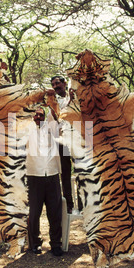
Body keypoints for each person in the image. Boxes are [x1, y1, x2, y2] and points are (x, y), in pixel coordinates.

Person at [26, 106, 64, 256]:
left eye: (40, 115)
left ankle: (56, 244)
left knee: (54, 212)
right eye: (35, 115)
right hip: (34, 175)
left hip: (52, 174)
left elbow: (59, 121)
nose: (37, 118)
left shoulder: (52, 128)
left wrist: (51, 109)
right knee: (34, 213)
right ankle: (35, 243)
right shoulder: (27, 129)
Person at [50, 75, 81, 214]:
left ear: (64, 83)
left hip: (76, 138)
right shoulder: (53, 101)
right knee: (65, 173)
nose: (55, 86)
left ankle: (82, 204)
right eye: (53, 84)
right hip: (62, 140)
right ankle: (69, 204)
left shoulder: (75, 95)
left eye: (57, 83)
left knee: (80, 170)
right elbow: (58, 117)